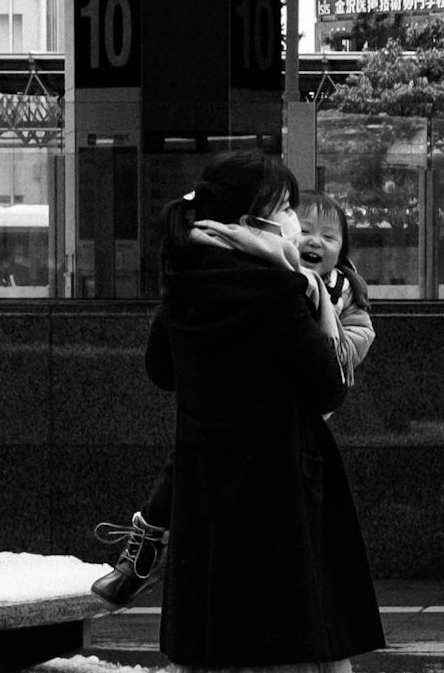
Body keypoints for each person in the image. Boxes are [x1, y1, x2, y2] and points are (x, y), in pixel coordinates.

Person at [119, 152, 388, 673]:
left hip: (215, 482)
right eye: (287, 206)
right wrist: (314, 304)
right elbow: (327, 381)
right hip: (272, 482)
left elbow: (160, 369)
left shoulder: (191, 275)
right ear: (255, 217)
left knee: (238, 644)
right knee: (269, 646)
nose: (295, 220)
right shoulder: (274, 284)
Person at [93, 194, 373, 609]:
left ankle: (148, 545)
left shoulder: (335, 289)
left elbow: (354, 344)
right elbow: (164, 368)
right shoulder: (272, 279)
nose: (310, 238)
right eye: (298, 222)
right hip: (250, 424)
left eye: (328, 236)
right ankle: (147, 541)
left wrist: (335, 351)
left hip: (287, 425)